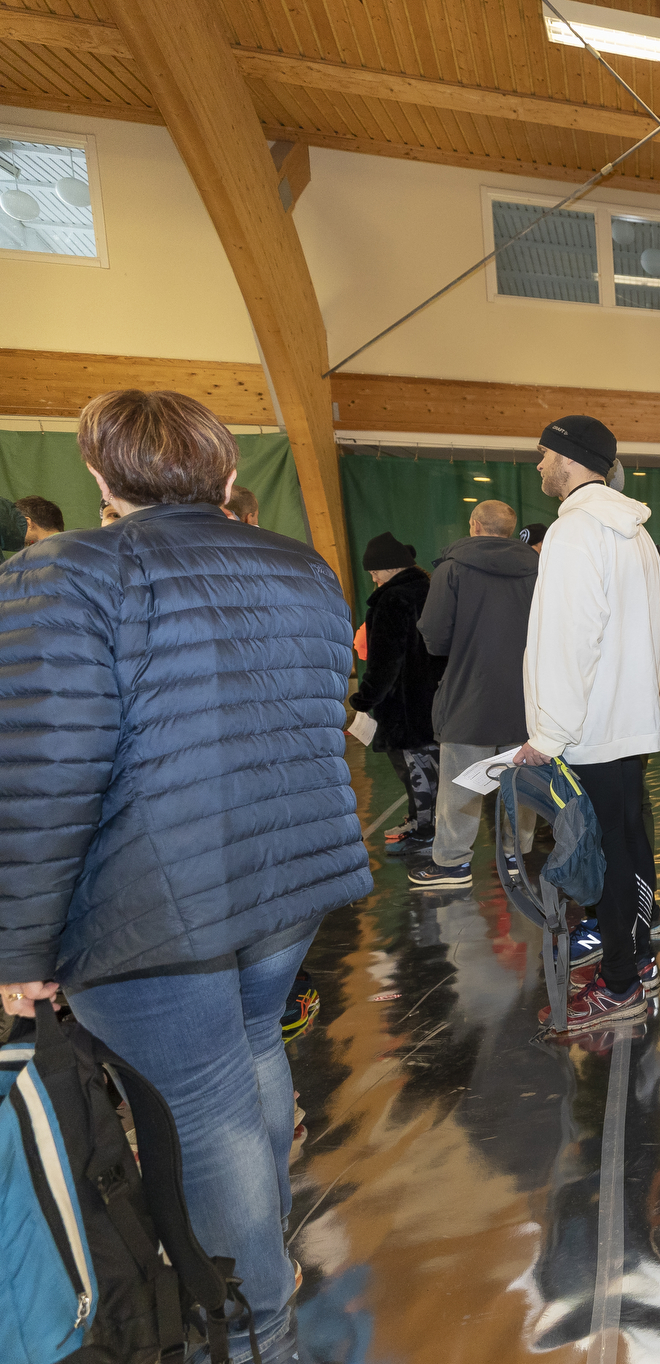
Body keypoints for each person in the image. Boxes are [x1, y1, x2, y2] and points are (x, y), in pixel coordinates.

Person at [0, 389, 372, 1364]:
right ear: (227, 472)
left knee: (205, 1110)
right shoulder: (302, 568)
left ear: (99, 473)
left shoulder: (68, 572)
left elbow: (45, 771)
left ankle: (255, 1328)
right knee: (249, 1060)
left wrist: (19, 942)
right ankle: (262, 1267)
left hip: (151, 899)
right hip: (283, 877)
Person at [511, 415, 660, 1033]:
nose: (539, 465)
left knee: (607, 855)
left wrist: (547, 735)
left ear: (570, 460)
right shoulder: (635, 532)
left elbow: (568, 641)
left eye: (544, 454)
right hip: (626, 722)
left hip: (589, 728)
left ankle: (620, 983)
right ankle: (638, 962)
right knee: (628, 846)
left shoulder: (575, 532)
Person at [411, 497, 539, 889]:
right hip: (525, 696)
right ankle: (517, 857)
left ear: (474, 525)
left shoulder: (452, 569)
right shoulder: (539, 569)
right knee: (521, 781)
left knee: (461, 782)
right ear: (510, 531)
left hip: (470, 691)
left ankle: (453, 864)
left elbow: (434, 635)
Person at [351, 531, 446, 856]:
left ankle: (426, 831)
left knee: (416, 772)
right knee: (434, 770)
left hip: (405, 707)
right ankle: (429, 824)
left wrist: (363, 699)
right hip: (435, 701)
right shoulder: (430, 590)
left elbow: (385, 663)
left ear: (391, 567)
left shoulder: (392, 600)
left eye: (375, 571)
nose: (373, 578)